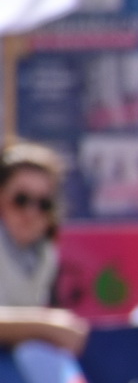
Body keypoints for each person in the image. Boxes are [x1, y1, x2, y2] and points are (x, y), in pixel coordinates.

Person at [0, 142, 87, 354]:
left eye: (43, 203)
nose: (31, 213)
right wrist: (47, 325)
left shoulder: (46, 254)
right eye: (21, 200)